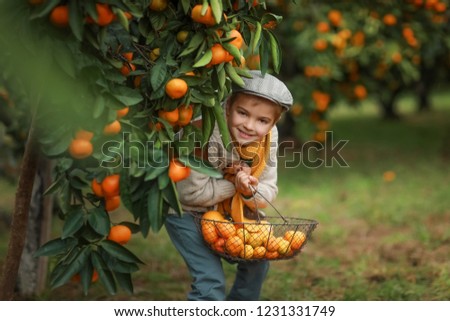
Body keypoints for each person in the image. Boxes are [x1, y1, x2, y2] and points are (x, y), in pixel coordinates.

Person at [164, 70, 293, 300]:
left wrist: (248, 190)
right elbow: (190, 194)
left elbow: (268, 191)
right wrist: (235, 183)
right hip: (186, 214)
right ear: (229, 104)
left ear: (274, 122)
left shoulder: (268, 137)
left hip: (230, 214)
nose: (250, 126)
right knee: (210, 280)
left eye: (262, 120)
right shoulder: (202, 131)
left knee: (257, 260)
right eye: (242, 113)